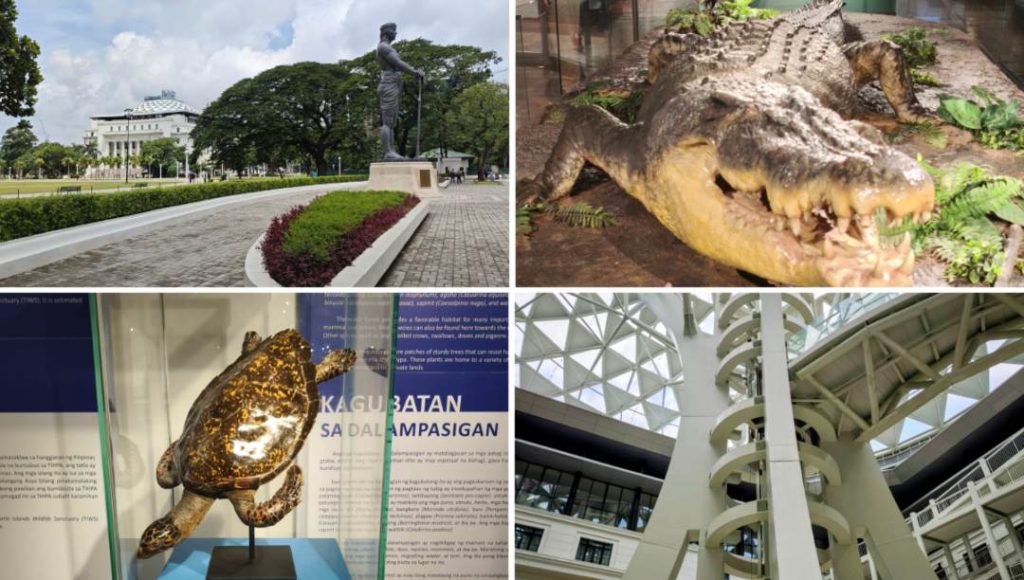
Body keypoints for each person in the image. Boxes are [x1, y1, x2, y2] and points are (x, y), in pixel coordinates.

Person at [377, 23, 425, 161]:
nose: (395, 34)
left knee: (392, 122)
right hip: (389, 83)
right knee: (387, 121)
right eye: (393, 31)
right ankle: (388, 152)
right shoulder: (383, 47)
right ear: (386, 33)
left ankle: (391, 151)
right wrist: (414, 72)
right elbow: (398, 63)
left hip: (393, 82)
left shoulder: (386, 47)